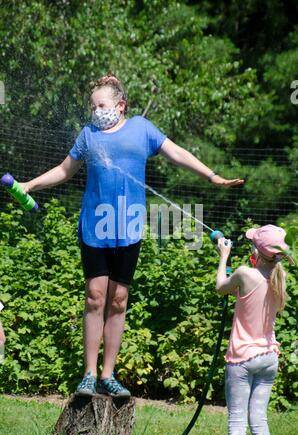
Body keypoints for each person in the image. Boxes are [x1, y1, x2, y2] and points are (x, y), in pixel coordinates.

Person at [20, 73, 244, 398]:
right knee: (95, 297)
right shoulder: (88, 135)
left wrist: (212, 176)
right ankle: (88, 374)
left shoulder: (142, 128)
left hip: (128, 228)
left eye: (102, 105)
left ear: (120, 105)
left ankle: (108, 375)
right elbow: (64, 170)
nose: (96, 111)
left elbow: (177, 153)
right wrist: (29, 185)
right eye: (92, 106)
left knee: (118, 300)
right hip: (95, 227)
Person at [216, 224, 293, 435]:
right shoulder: (281, 275)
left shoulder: (244, 273)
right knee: (260, 422)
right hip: (269, 357)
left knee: (237, 423)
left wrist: (224, 256)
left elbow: (221, 287)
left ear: (256, 251)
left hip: (242, 359)